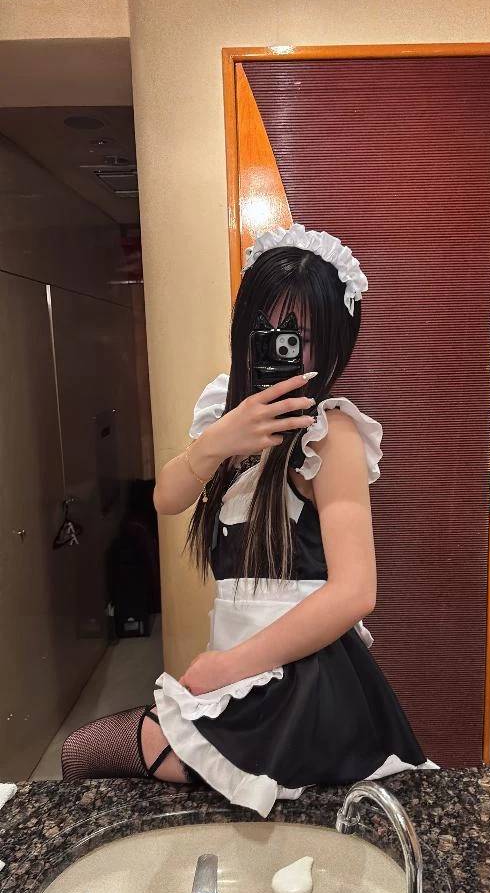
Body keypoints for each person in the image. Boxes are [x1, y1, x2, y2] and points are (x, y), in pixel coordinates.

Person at [61, 222, 436, 816]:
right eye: (270, 330)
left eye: (302, 337)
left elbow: (356, 592)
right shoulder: (225, 416)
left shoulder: (331, 433)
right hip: (250, 673)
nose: (284, 347)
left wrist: (226, 667)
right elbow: (166, 500)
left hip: (299, 681)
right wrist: (218, 441)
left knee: (84, 752)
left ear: (333, 344)